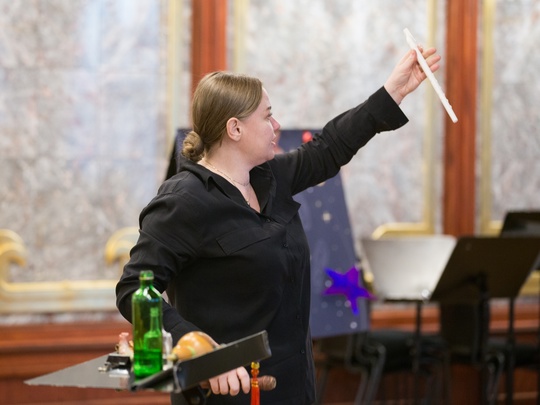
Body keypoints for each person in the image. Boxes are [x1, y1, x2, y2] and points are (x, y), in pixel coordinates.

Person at [116, 46, 441, 405]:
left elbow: (330, 147)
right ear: (235, 128)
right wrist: (196, 347)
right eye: (267, 117)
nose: (277, 127)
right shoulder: (183, 200)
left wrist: (393, 91)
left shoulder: (270, 177)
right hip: (226, 394)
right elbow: (134, 289)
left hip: (293, 387)